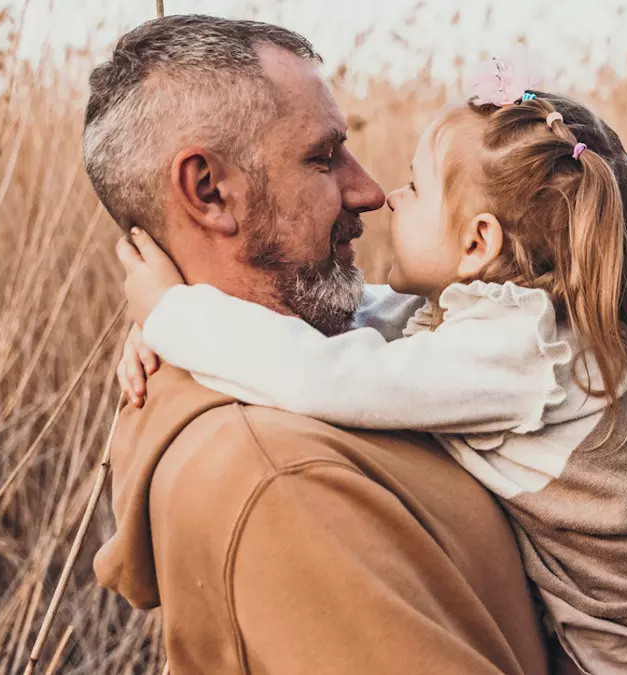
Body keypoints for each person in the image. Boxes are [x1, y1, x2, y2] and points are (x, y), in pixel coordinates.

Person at [115, 59, 627, 673]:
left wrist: (175, 314)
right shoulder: (498, 324)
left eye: (414, 187)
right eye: (324, 157)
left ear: (478, 243)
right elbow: (363, 318)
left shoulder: (518, 354)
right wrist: (183, 322)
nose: (385, 196)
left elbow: (329, 375)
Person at [84, 15, 552, 675]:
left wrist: (177, 318)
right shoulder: (281, 480)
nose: (367, 191)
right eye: (323, 157)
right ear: (211, 191)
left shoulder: (297, 366)